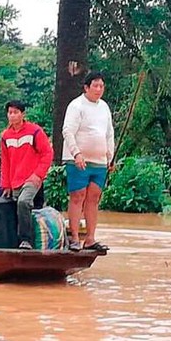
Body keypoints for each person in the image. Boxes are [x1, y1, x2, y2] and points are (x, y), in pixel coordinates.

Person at [62, 71, 115, 252]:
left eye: (101, 86)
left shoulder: (104, 107)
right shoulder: (76, 106)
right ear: (86, 87)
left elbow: (109, 134)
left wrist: (111, 156)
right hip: (78, 160)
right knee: (77, 197)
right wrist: (76, 153)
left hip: (99, 161)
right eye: (95, 86)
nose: (99, 89)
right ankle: (75, 238)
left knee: (93, 198)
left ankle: (91, 238)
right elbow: (68, 131)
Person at [0, 100, 54, 250]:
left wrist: (38, 175)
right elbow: (5, 162)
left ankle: (26, 240)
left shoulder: (35, 131)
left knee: (23, 202)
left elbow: (47, 154)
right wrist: (6, 185)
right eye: (10, 112)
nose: (12, 115)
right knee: (13, 208)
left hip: (32, 178)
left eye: (16, 112)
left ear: (23, 114)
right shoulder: (5, 136)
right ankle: (15, 240)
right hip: (15, 180)